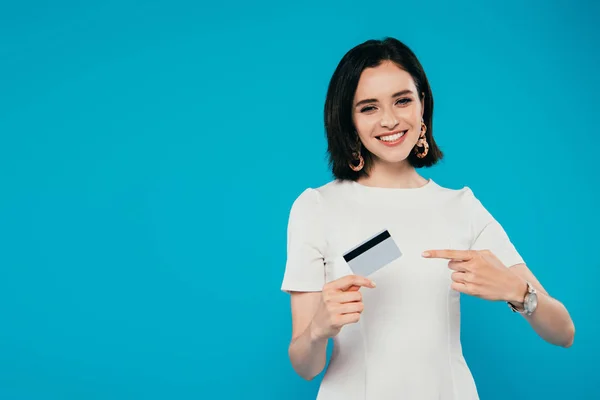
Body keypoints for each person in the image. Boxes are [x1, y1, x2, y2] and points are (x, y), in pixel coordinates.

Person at [280, 37, 575, 400]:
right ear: (348, 120)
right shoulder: (317, 207)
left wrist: (517, 292)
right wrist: (318, 329)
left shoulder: (460, 207)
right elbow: (305, 367)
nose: (389, 120)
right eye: (368, 107)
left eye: (402, 100)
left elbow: (563, 332)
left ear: (423, 105)